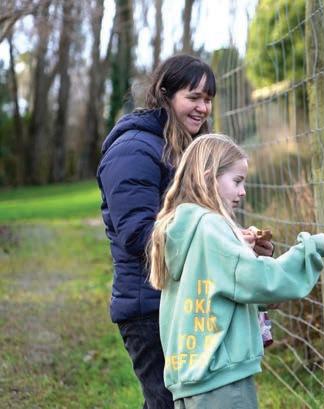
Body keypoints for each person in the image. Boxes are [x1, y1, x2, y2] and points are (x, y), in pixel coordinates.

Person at [146, 134, 324, 408]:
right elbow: (260, 281)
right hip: (221, 379)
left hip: (190, 377)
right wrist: (310, 250)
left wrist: (244, 251)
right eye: (237, 181)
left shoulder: (182, 225)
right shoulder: (212, 226)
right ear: (208, 178)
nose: (243, 192)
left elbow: (223, 285)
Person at [97, 54, 218, 409]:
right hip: (148, 307)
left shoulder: (183, 149)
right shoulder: (133, 150)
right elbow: (138, 235)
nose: (203, 108)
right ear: (165, 95)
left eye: (208, 99)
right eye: (193, 97)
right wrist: (208, 240)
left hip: (181, 300)